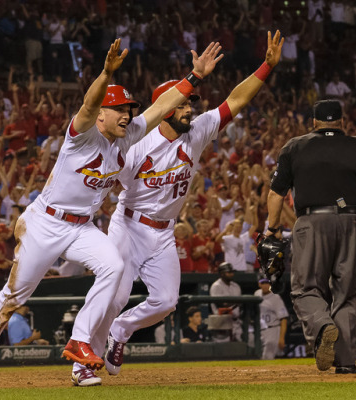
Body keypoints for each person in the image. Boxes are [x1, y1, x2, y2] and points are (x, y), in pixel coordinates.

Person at [0, 38, 223, 389]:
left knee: (113, 266)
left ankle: (80, 341)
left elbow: (163, 104)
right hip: (46, 222)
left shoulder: (129, 134)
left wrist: (194, 77)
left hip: (81, 227)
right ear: (102, 114)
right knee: (15, 297)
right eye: (118, 109)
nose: (126, 114)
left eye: (128, 109)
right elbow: (89, 103)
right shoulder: (82, 136)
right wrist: (105, 73)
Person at [101, 31, 284, 377]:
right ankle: (89, 358)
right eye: (183, 104)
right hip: (128, 225)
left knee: (167, 301)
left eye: (190, 104)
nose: (190, 108)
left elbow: (235, 101)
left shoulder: (197, 131)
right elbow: (104, 180)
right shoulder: (136, 144)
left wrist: (266, 66)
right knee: (115, 295)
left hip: (164, 232)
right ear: (165, 108)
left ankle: (120, 331)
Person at [265, 99, 356, 374]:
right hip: (353, 222)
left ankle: (322, 324)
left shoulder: (295, 146)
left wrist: (272, 228)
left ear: (314, 122)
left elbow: (275, 194)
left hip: (312, 221)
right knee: (347, 294)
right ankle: (346, 362)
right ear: (342, 122)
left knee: (305, 288)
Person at [254, 277, 289, 359]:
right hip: (259, 330)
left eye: (267, 283)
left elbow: (283, 319)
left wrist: (281, 338)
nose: (265, 285)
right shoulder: (257, 294)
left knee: (267, 357)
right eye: (263, 283)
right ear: (259, 284)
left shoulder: (276, 297)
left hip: (272, 330)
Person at [209, 262, 243, 342]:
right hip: (222, 323)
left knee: (239, 349)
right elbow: (220, 304)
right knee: (222, 350)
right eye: (229, 272)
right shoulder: (216, 286)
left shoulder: (236, 286)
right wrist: (236, 302)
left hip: (236, 323)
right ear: (222, 273)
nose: (231, 274)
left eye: (232, 272)